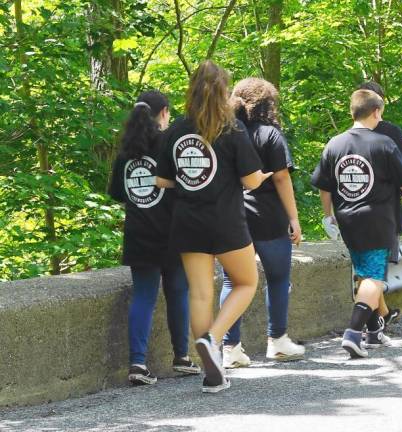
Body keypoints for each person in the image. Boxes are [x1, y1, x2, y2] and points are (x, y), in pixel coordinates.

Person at [156, 61, 272, 393]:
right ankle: (212, 339)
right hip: (226, 221)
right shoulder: (232, 130)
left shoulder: (176, 130)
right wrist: (262, 175)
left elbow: (163, 180)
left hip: (187, 222)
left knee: (201, 293)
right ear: (224, 92)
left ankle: (212, 371)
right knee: (246, 282)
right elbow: (250, 180)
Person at [311, 89, 402, 358]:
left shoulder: (334, 144)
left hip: (347, 218)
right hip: (378, 219)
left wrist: (329, 215)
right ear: (376, 112)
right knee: (374, 278)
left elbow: (324, 186)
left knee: (363, 271)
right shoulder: (383, 143)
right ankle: (353, 332)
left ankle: (373, 330)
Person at [108, 90, 201, 385]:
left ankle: (137, 364)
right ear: (163, 113)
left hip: (138, 234)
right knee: (178, 292)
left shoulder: (126, 152)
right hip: (172, 232)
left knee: (144, 296)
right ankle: (182, 357)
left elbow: (117, 194)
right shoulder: (167, 144)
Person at [219, 77, 305, 368]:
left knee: (232, 281)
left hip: (234, 216)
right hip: (269, 216)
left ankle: (230, 348)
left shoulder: (226, 132)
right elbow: (281, 177)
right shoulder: (270, 135)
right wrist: (293, 217)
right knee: (278, 277)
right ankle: (277, 340)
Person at [357, 81, 402, 325]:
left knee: (364, 268)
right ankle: (365, 322)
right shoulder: (391, 133)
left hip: (352, 210)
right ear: (379, 106)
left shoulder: (345, 137)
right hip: (385, 210)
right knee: (376, 270)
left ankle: (381, 314)